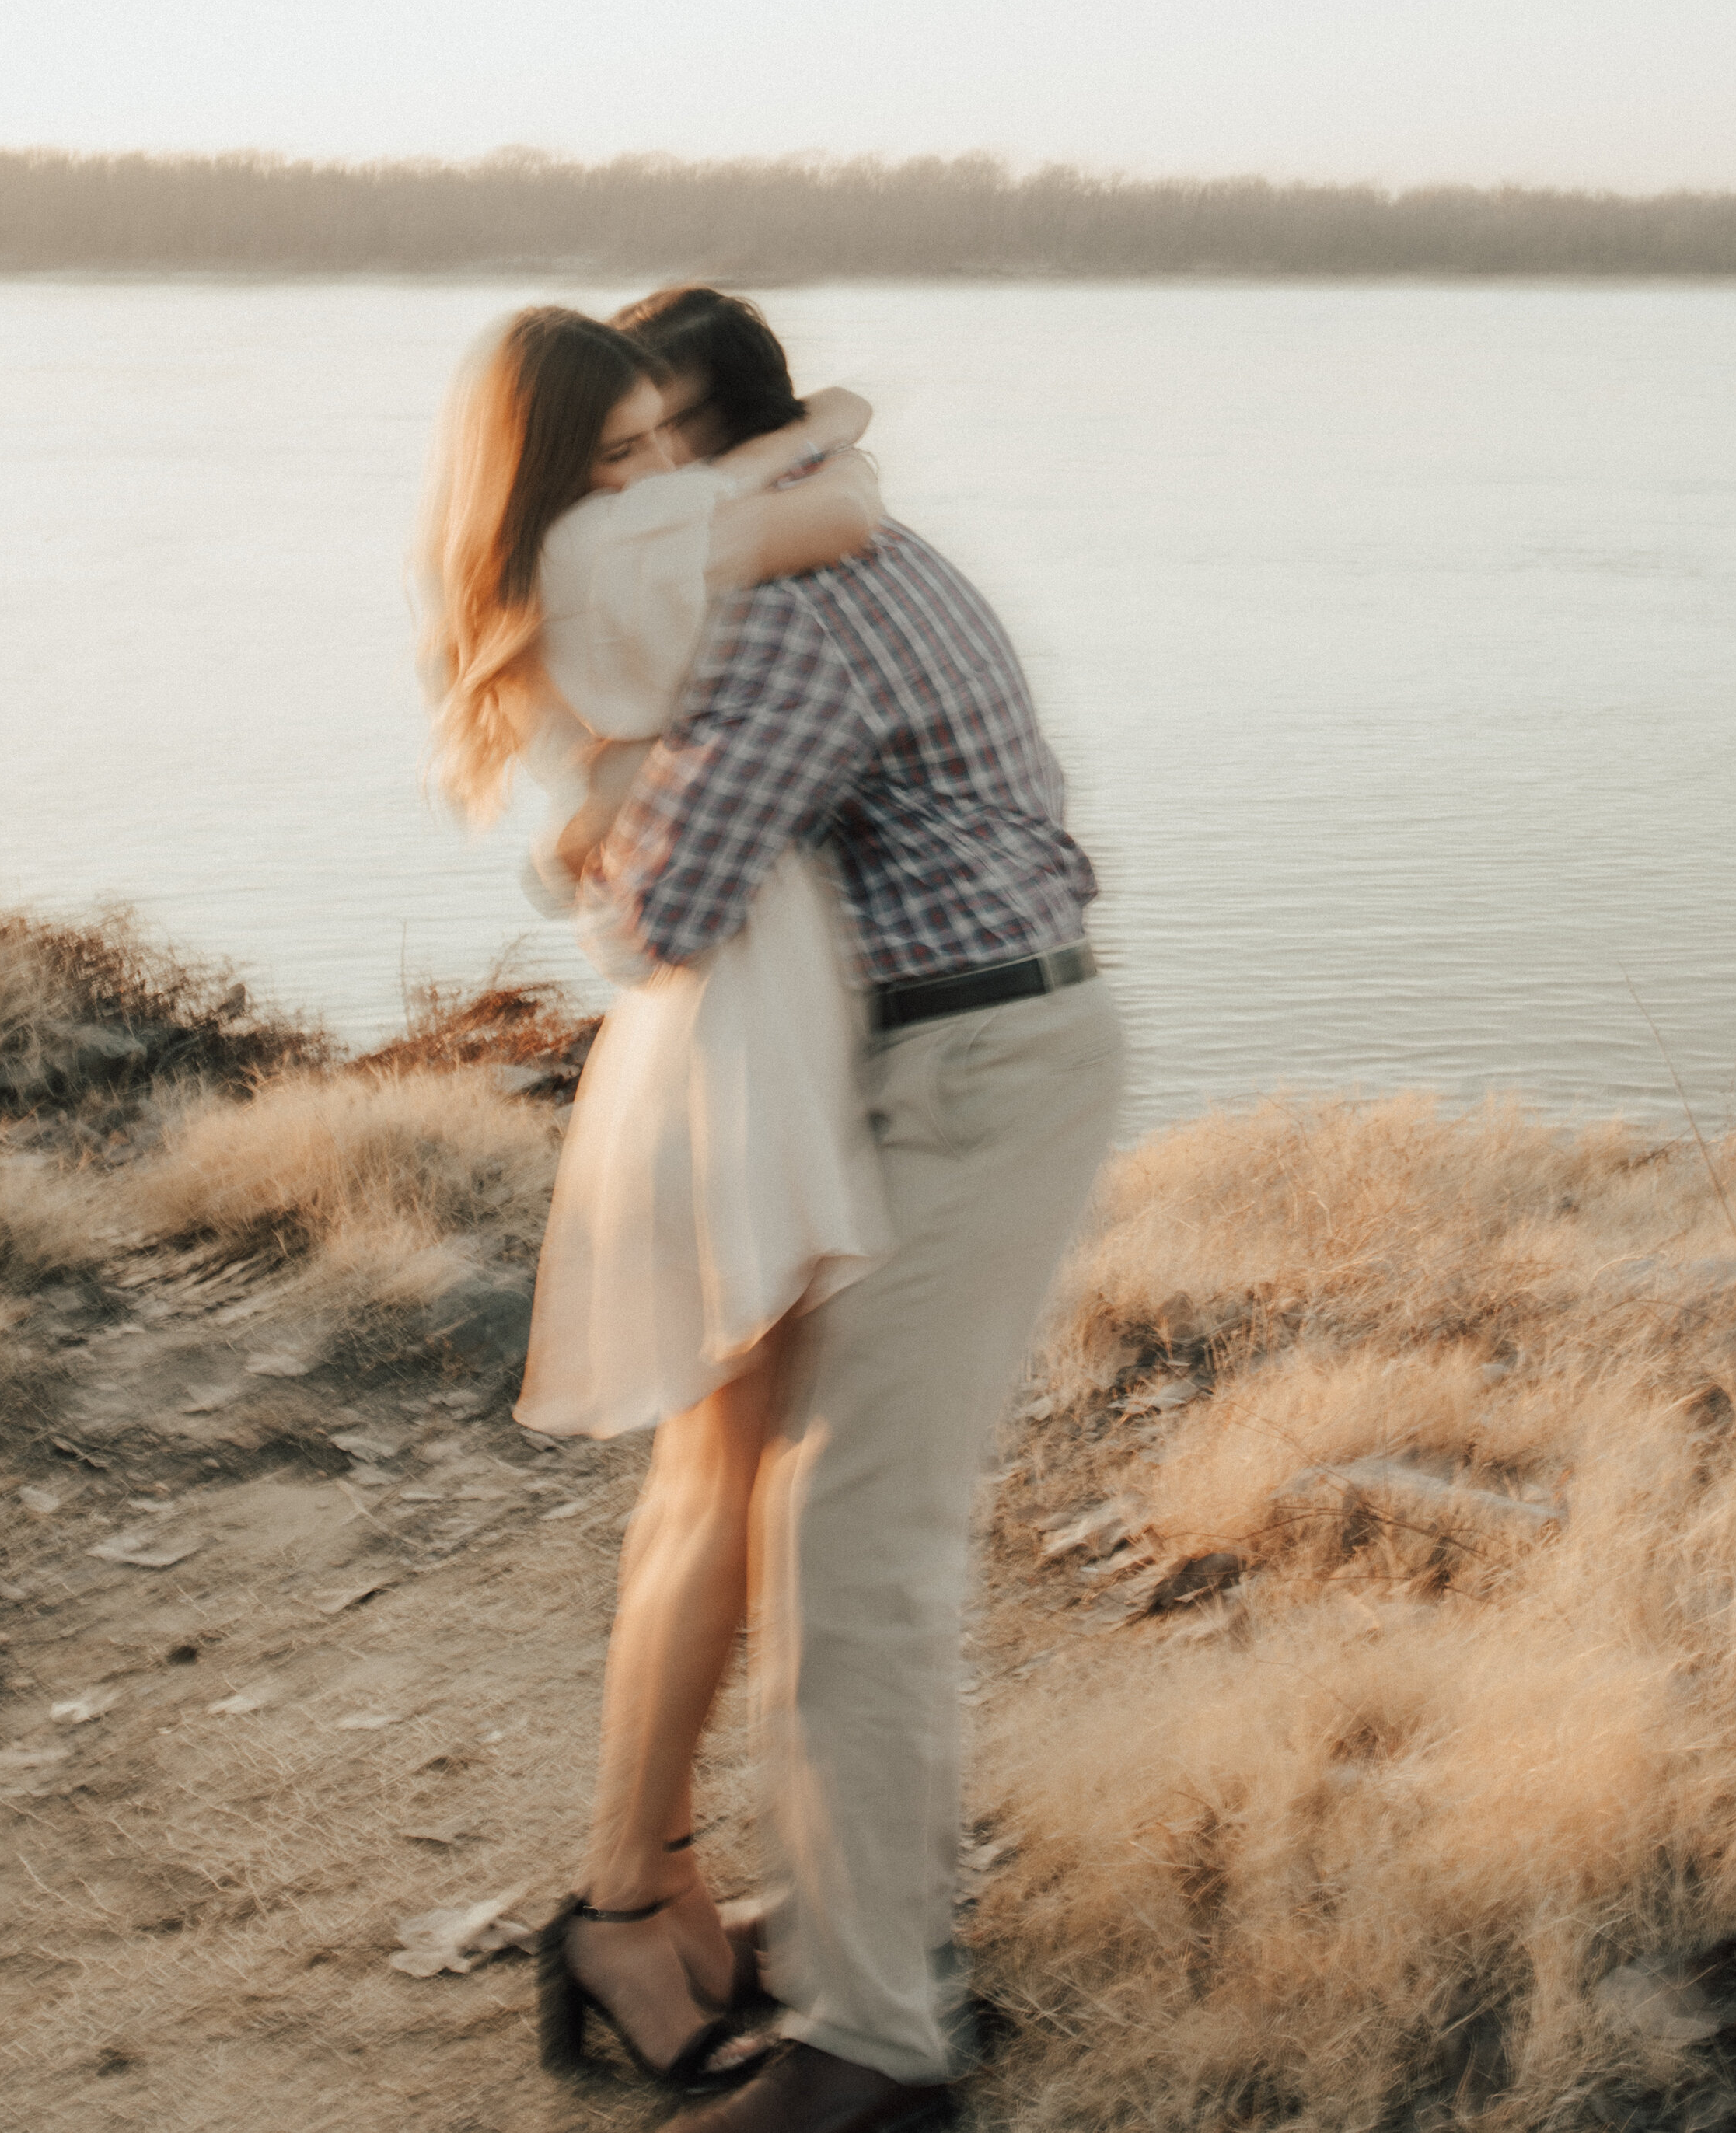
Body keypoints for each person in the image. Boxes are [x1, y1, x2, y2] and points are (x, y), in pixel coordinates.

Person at [571, 291, 1123, 2133]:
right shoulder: (838, 548)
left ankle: (874, 2046)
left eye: (644, 463)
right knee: (803, 1516)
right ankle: (803, 1948)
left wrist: (597, 802)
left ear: (716, 449)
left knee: (851, 1556)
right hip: (945, 1062)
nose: (630, 506)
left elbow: (661, 911)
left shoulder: (788, 619)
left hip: (963, 1079)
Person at [414, 302, 890, 2099]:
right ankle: (620, 1904)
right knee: (718, 1496)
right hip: (729, 1054)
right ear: (553, 477)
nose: (650, 476)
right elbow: (841, 506)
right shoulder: (617, 549)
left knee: (717, 1489)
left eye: (656, 438)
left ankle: (663, 1879)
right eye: (613, 451)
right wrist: (794, 432)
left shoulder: (570, 564)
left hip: (710, 1036)